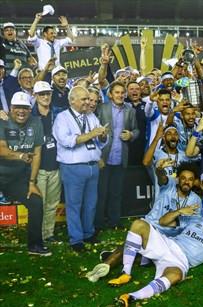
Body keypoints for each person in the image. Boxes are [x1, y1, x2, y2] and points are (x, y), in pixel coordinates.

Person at [113, 195, 203, 307]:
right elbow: (163, 222)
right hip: (168, 245)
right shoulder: (194, 220)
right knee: (139, 224)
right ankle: (126, 273)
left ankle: (132, 296)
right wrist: (179, 211)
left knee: (175, 276)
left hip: (181, 260)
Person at [52, 86, 109, 252]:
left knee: (91, 204)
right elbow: (67, 141)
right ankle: (76, 239)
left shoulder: (91, 116)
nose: (88, 102)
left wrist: (103, 135)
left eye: (89, 99)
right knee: (74, 205)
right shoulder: (62, 118)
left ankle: (88, 233)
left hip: (93, 165)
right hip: (73, 167)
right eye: (84, 99)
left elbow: (100, 142)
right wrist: (92, 134)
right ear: (72, 100)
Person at [0, 92, 48, 255]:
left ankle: (34, 246)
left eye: (25, 108)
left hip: (16, 178)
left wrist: (32, 183)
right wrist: (20, 155)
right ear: (11, 108)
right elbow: (1, 149)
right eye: (17, 107)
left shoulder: (36, 123)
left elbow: (37, 154)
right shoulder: (2, 120)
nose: (21, 111)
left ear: (30, 109)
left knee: (35, 202)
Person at [95, 81, 139, 231]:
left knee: (116, 192)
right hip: (103, 157)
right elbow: (94, 130)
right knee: (101, 192)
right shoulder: (102, 108)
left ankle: (114, 221)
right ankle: (99, 222)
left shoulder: (130, 110)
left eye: (122, 93)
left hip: (121, 157)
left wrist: (131, 134)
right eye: (117, 92)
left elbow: (136, 130)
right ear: (110, 95)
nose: (120, 95)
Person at [31, 81, 61, 242]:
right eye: (41, 94)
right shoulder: (30, 115)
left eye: (48, 93)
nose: (45, 97)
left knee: (52, 203)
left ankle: (48, 234)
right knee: (39, 204)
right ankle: (37, 234)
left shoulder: (58, 112)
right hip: (39, 167)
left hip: (55, 164)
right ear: (35, 96)